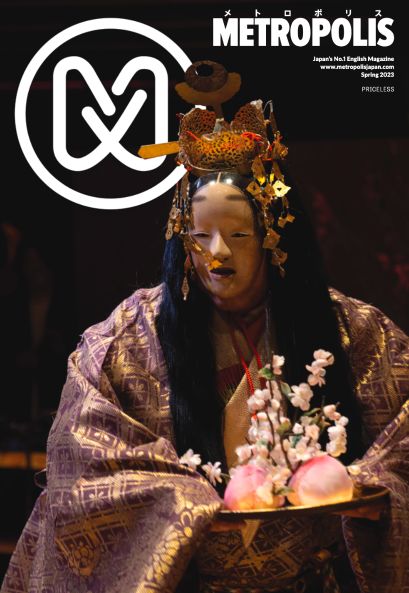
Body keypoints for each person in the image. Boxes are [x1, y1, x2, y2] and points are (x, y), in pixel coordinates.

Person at [2, 62, 409, 593]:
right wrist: (184, 503)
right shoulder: (127, 341)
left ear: (274, 236)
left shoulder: (357, 333)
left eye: (238, 234)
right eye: (200, 235)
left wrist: (371, 489)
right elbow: (84, 467)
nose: (217, 253)